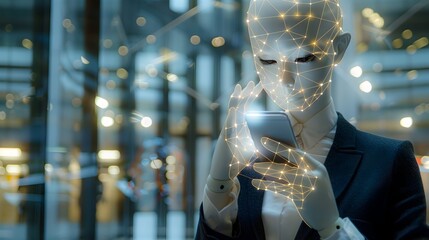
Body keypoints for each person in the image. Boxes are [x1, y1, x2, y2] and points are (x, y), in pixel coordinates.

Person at [196, 0, 429, 239]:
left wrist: (332, 228)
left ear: (338, 49)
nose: (284, 79)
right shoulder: (243, 164)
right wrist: (219, 184)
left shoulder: (387, 161)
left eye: (304, 58)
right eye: (267, 60)